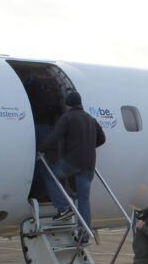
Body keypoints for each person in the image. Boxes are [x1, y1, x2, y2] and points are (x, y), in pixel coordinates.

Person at [40, 91, 106, 230]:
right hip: (89, 165)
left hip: (73, 161)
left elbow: (55, 136)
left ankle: (64, 207)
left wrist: (40, 148)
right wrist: (87, 146)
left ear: (68, 105)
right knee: (84, 200)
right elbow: (102, 139)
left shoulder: (67, 118)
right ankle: (84, 234)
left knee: (50, 176)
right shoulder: (91, 119)